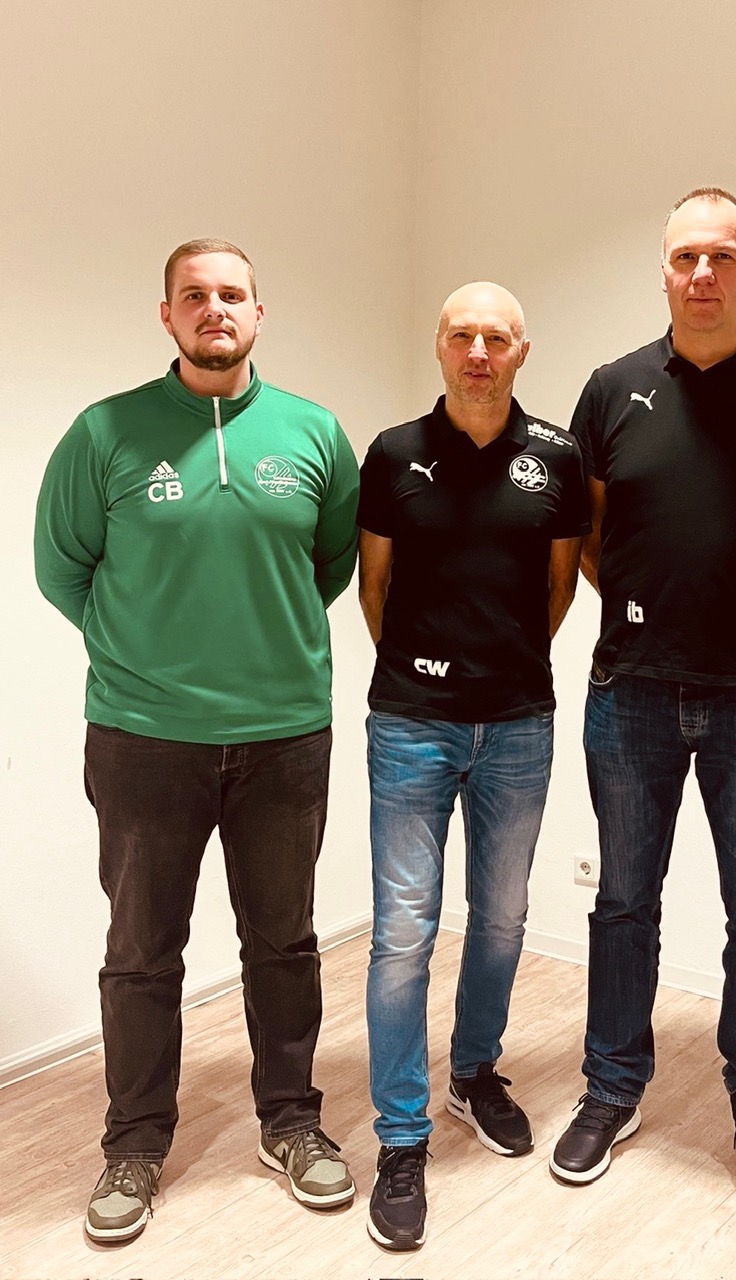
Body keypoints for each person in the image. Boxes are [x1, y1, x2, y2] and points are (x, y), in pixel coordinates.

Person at [33, 240, 360, 1241]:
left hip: (283, 736)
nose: (214, 308)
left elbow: (330, 563)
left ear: (258, 313)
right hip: (144, 739)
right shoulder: (105, 432)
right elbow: (62, 568)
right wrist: (146, 655)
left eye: (231, 294)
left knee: (284, 941)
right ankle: (134, 1142)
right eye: (194, 295)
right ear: (167, 316)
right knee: (142, 951)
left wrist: (256, 644)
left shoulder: (314, 432)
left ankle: (291, 1121)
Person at [549, 188, 736, 1205]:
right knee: (623, 902)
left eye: (723, 256)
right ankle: (611, 1086)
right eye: (686, 256)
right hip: (630, 690)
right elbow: (589, 535)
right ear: (665, 271)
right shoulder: (612, 389)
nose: (703, 274)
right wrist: (651, 608)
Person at [357, 281, 589, 1251]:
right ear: (440, 347)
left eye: (497, 337)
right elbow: (375, 585)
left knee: (500, 918)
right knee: (403, 932)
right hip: (412, 724)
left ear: (522, 350)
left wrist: (502, 665)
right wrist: (429, 669)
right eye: (463, 335)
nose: (479, 352)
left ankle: (473, 1071)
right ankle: (401, 1135)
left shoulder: (558, 458)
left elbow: (560, 585)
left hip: (519, 725)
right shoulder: (393, 453)